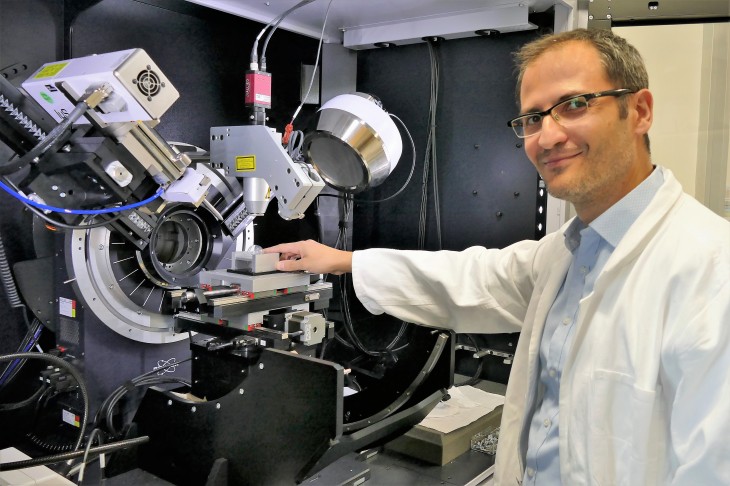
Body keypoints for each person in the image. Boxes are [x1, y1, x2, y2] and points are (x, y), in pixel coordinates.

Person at [264, 28, 730, 485]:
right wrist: (341, 260)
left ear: (640, 111)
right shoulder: (567, 253)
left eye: (573, 105)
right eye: (532, 118)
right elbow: (477, 278)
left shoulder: (711, 271)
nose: (547, 137)